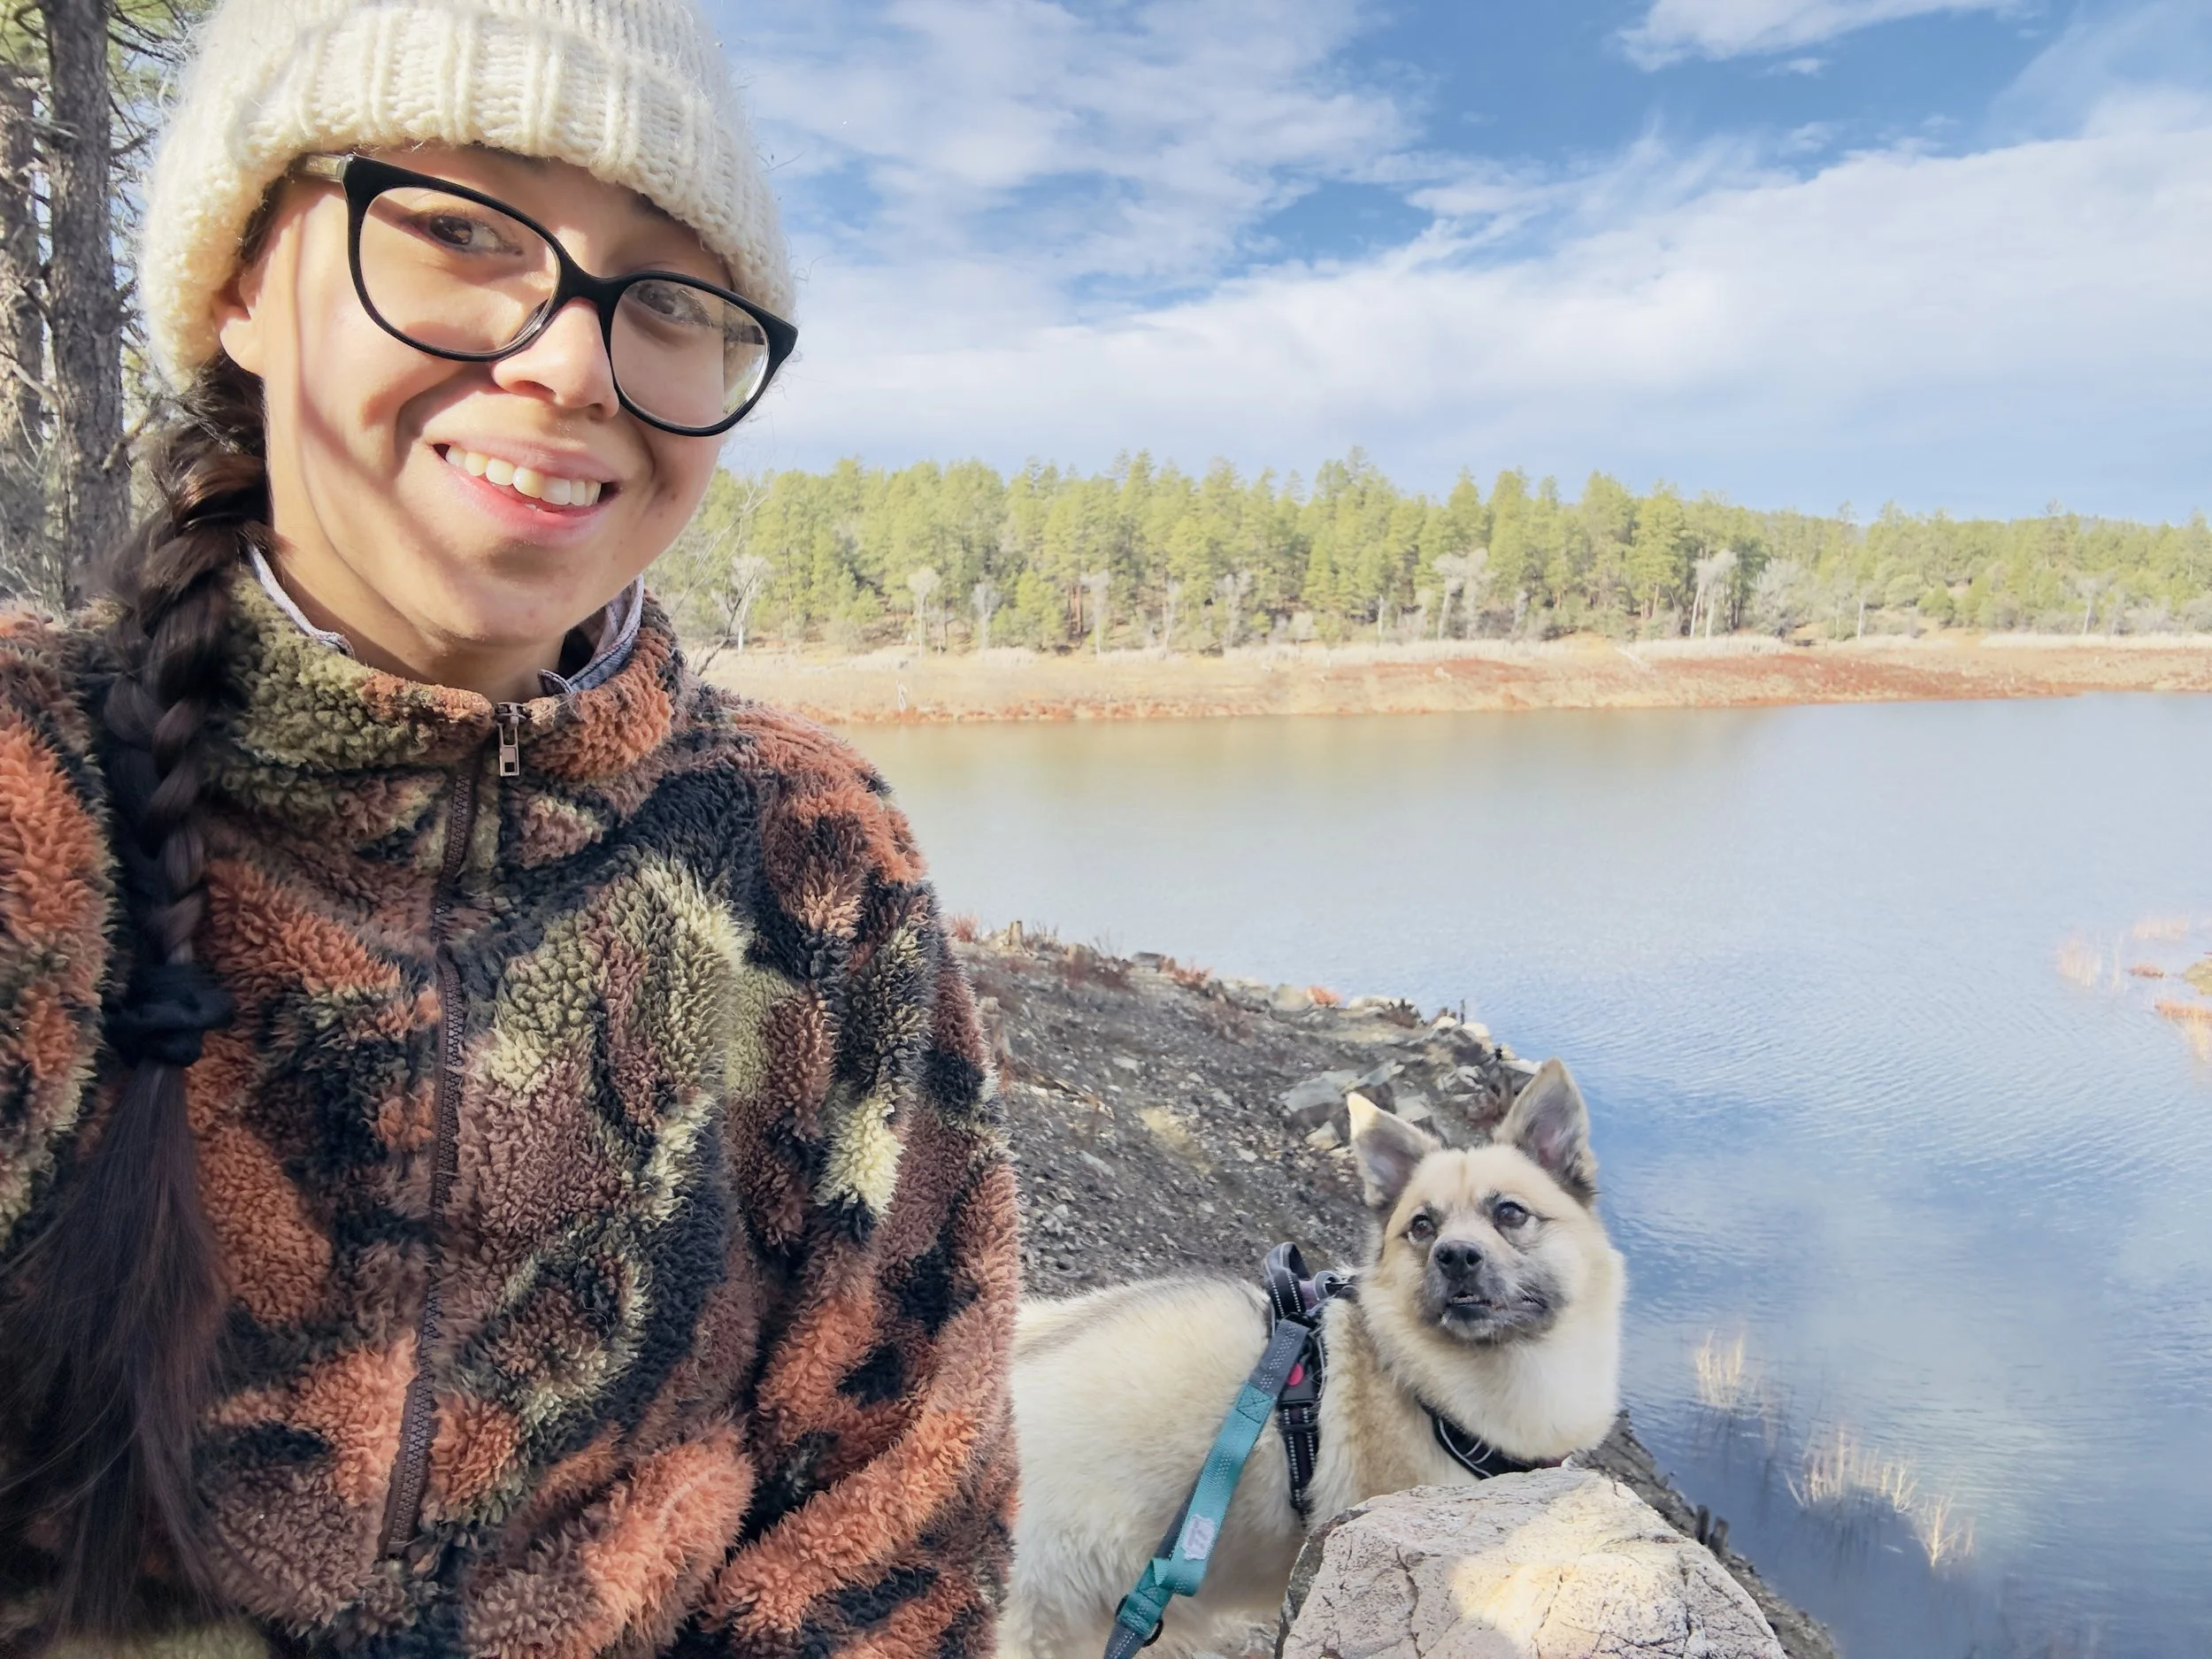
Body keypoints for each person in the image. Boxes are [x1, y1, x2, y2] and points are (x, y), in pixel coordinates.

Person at [0, 0, 1018, 1652]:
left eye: (670, 298)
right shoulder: (29, 794)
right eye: (463, 230)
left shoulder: (811, 862)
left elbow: (900, 1492)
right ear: (242, 281)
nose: (568, 365)